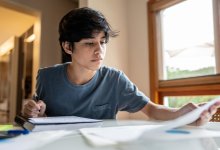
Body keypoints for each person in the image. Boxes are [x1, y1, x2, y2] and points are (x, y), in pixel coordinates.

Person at [22, 7, 220, 126]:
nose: (99, 51)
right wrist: (36, 113)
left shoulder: (115, 80)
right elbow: (40, 115)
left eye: (103, 42)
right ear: (67, 46)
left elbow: (151, 110)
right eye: (90, 43)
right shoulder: (46, 77)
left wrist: (182, 115)